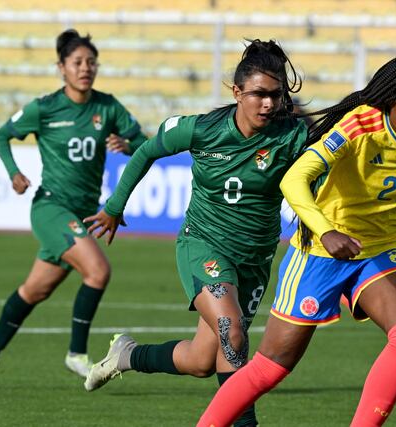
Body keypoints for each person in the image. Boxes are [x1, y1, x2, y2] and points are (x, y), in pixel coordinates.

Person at [197, 55, 396, 427]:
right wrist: (326, 230)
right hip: (320, 254)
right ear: (391, 101)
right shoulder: (357, 126)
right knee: (271, 368)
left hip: (379, 251)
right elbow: (293, 180)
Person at [83, 39, 306, 427]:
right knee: (232, 333)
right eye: (259, 95)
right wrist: (115, 206)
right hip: (204, 244)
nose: (269, 104)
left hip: (255, 258)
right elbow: (146, 151)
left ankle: (128, 355)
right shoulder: (202, 129)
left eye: (276, 95)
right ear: (237, 93)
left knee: (203, 361)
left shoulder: (293, 136)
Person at [0, 29, 147, 389]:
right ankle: (77, 354)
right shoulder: (46, 108)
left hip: (82, 212)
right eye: (77, 62)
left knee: (34, 291)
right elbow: (0, 135)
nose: (86, 68)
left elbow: (144, 143)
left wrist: (128, 143)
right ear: (61, 68)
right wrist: (14, 173)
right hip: (51, 207)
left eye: (91, 62)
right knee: (98, 271)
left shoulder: (107, 107)